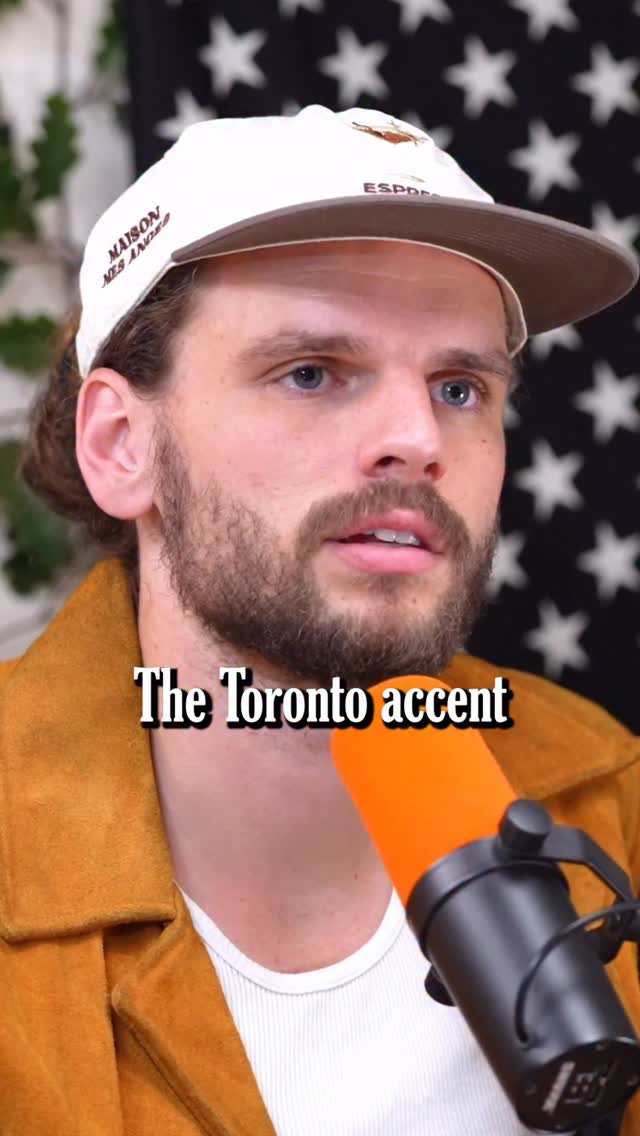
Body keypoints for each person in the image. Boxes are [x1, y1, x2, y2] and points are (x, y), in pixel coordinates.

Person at [0, 105, 638, 1136]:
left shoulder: (611, 796)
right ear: (120, 444)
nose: (417, 437)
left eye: (459, 386)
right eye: (310, 372)